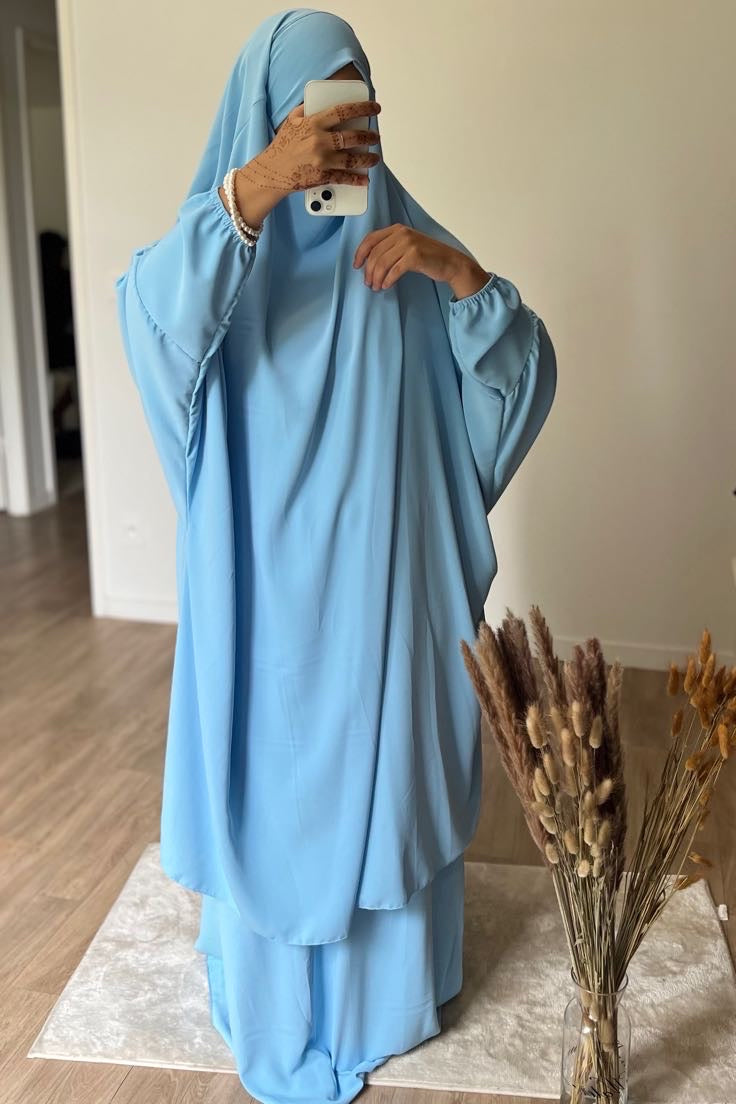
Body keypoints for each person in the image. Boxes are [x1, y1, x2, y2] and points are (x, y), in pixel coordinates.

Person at [115, 8, 557, 1104]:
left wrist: (461, 277)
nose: (344, 133)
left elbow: (507, 397)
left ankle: (384, 1000)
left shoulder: (399, 244)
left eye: (358, 103)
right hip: (261, 598)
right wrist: (262, 186)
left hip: (385, 594)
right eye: (317, 108)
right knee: (270, 773)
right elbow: (153, 325)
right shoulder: (217, 252)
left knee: (389, 764)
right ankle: (274, 996)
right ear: (270, 115)